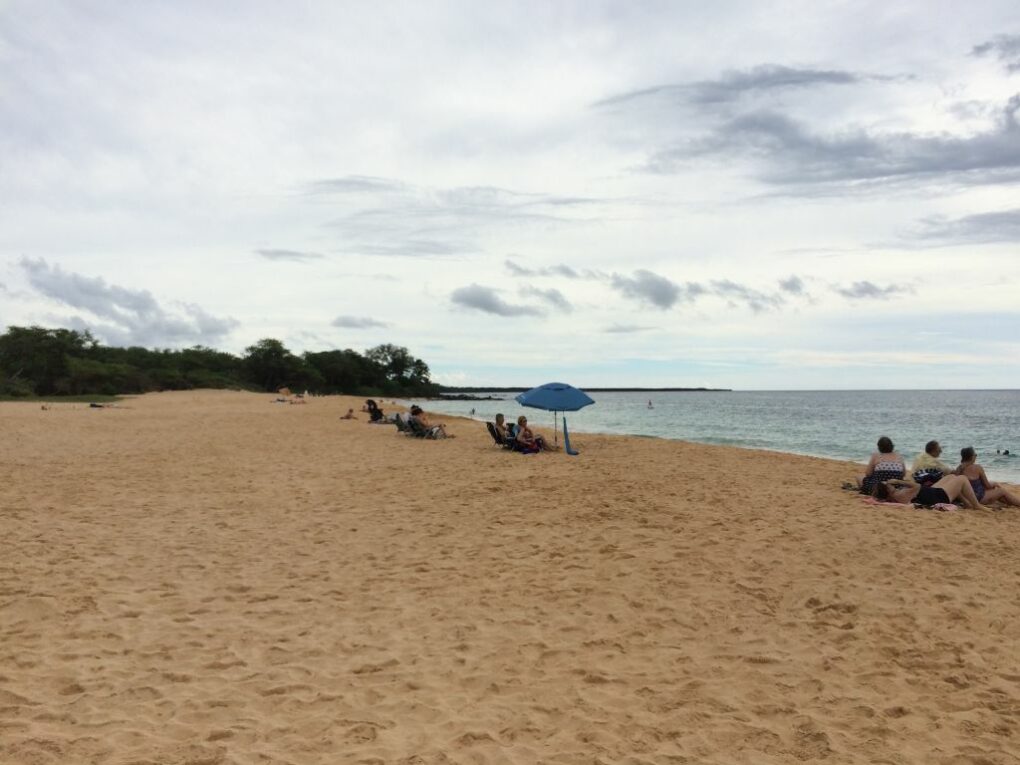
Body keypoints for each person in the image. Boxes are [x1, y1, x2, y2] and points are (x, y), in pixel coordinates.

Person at [873, 474, 990, 511]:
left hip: (930, 493)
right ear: (887, 489)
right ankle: (976, 505)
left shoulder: (896, 495)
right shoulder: (900, 494)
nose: (889, 483)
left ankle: (966, 503)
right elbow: (916, 485)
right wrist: (898, 481)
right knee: (962, 478)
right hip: (938, 496)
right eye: (887, 483)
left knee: (951, 476)